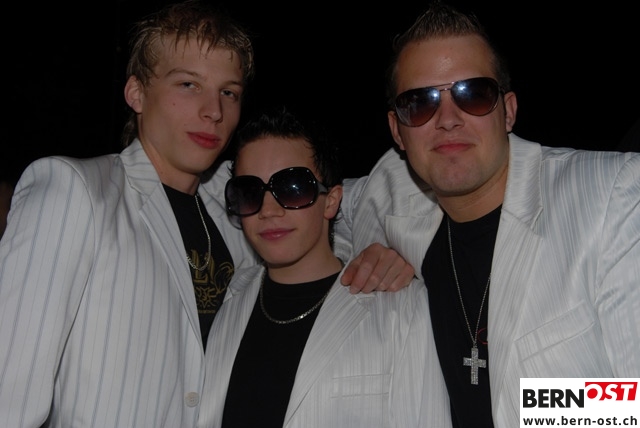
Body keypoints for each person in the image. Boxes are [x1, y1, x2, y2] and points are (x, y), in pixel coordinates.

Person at [0, 2, 412, 427]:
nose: (213, 110)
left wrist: (378, 250)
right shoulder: (77, 192)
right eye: (188, 85)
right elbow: (9, 398)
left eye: (228, 92)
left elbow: (353, 199)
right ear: (136, 92)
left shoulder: (237, 205)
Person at [347, 2, 640, 428]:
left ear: (509, 111)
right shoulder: (397, 210)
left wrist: (529, 401)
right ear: (398, 131)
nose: (448, 119)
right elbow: (319, 209)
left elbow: (634, 399)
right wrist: (372, 247)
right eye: (420, 103)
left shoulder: (612, 193)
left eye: (473, 94)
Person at [197, 107, 449, 428]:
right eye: (249, 192)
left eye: (292, 187)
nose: (268, 210)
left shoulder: (401, 308)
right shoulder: (231, 300)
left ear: (331, 200)